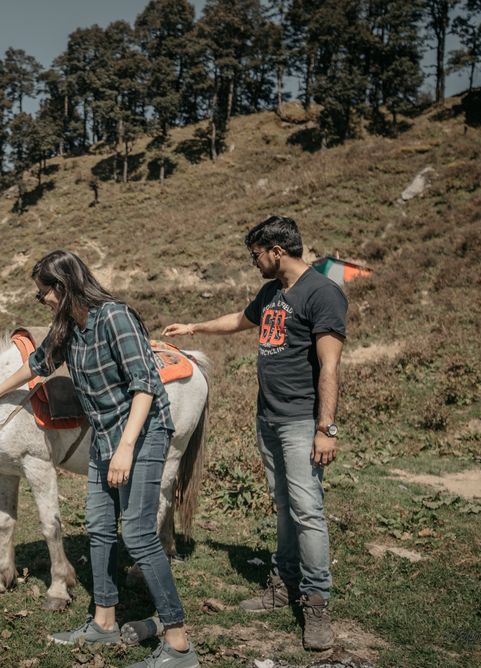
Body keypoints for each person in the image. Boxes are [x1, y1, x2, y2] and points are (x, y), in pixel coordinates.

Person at [0, 250, 200, 668]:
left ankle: (178, 643)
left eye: (43, 293)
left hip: (142, 435)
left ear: (63, 286)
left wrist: (125, 449)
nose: (43, 301)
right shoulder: (69, 328)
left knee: (139, 534)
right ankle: (104, 621)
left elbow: (145, 384)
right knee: (100, 528)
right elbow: (37, 364)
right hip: (105, 439)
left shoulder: (115, 317)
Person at [162, 215, 346, 651]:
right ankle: (283, 583)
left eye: (256, 255)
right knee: (283, 505)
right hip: (269, 418)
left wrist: (326, 428)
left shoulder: (323, 294)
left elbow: (331, 367)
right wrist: (192, 328)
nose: (254, 262)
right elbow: (239, 321)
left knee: (306, 510)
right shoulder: (272, 293)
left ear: (277, 252)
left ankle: (316, 602)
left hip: (303, 422)